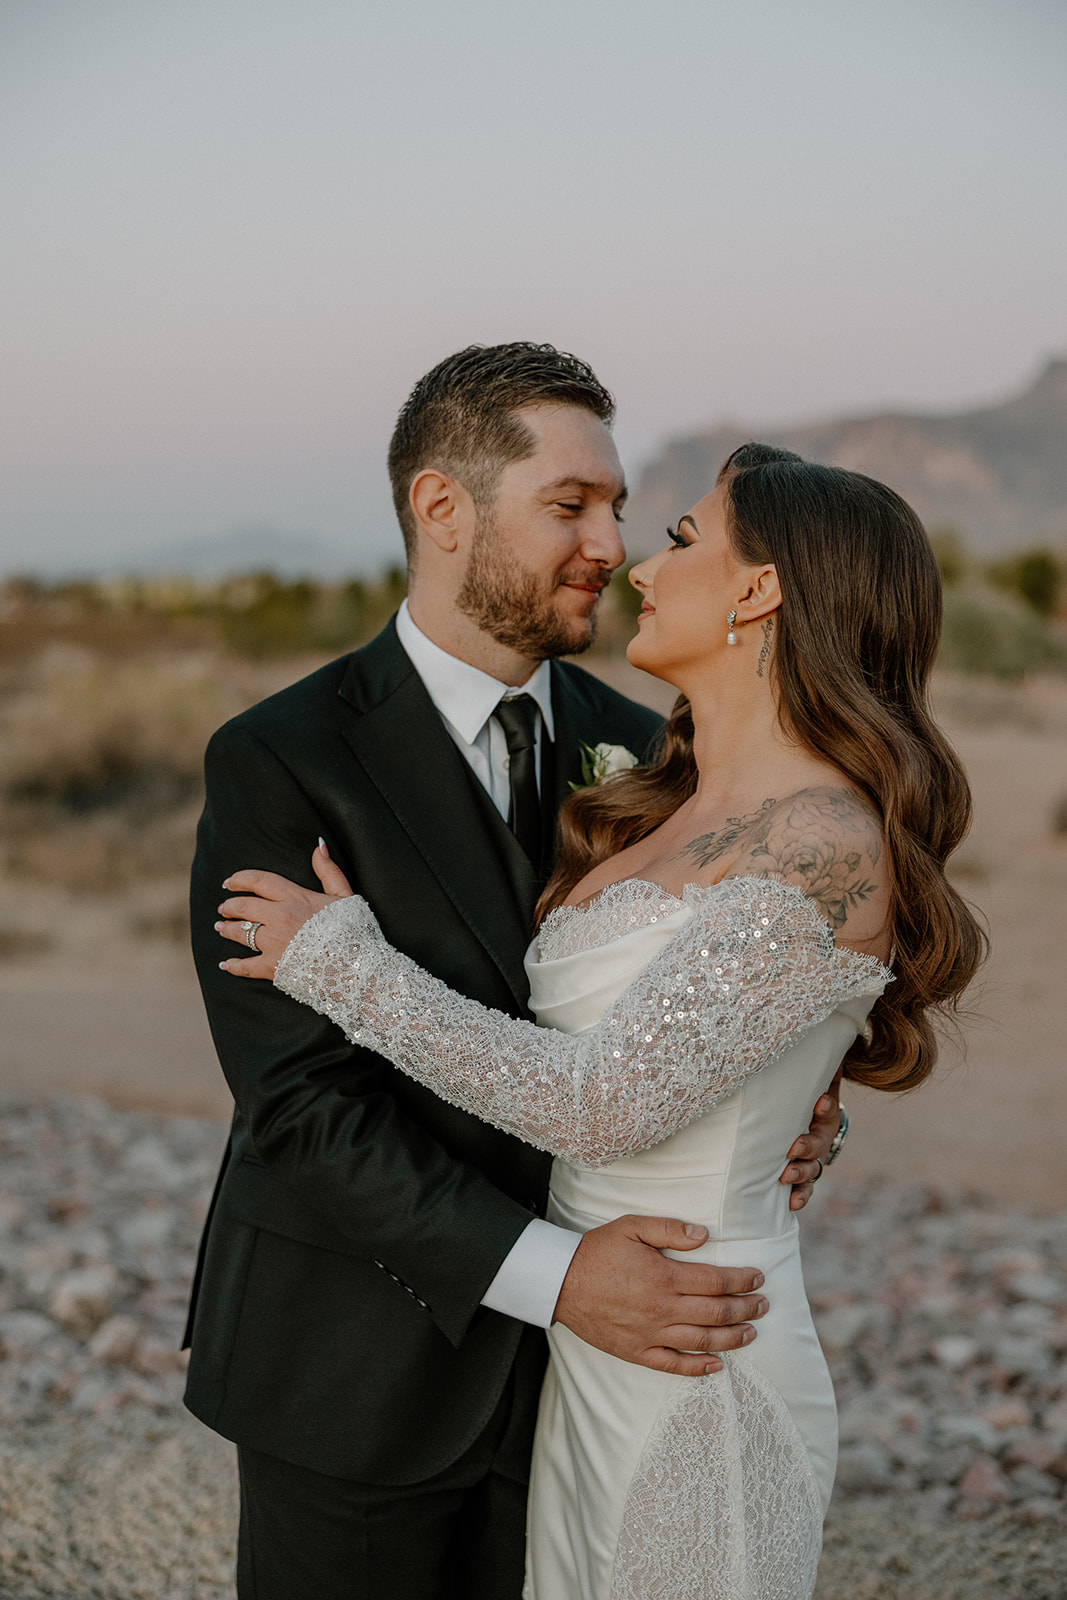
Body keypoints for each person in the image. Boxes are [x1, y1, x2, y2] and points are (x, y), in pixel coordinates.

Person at [215, 442, 985, 1599]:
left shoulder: (806, 830)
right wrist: (777, 1090)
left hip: (685, 1336)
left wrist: (343, 964)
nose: (622, 552)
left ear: (760, 590)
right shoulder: (652, 789)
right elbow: (298, 1098)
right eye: (572, 506)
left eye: (662, 528)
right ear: (442, 508)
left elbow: (610, 1096)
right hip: (458, 1351)